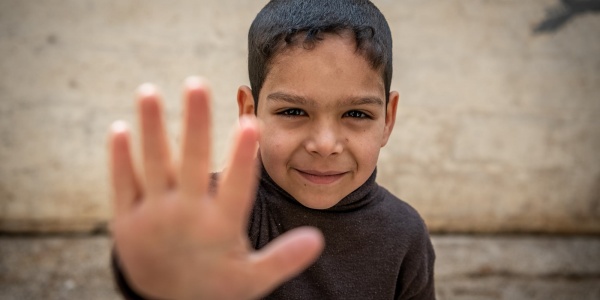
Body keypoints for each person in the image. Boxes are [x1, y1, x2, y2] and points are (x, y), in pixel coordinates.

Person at [108, 0, 436, 299]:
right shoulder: (215, 215)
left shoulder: (405, 234)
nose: (324, 144)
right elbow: (161, 257)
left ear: (388, 119)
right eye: (293, 112)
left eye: (356, 114)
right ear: (249, 111)